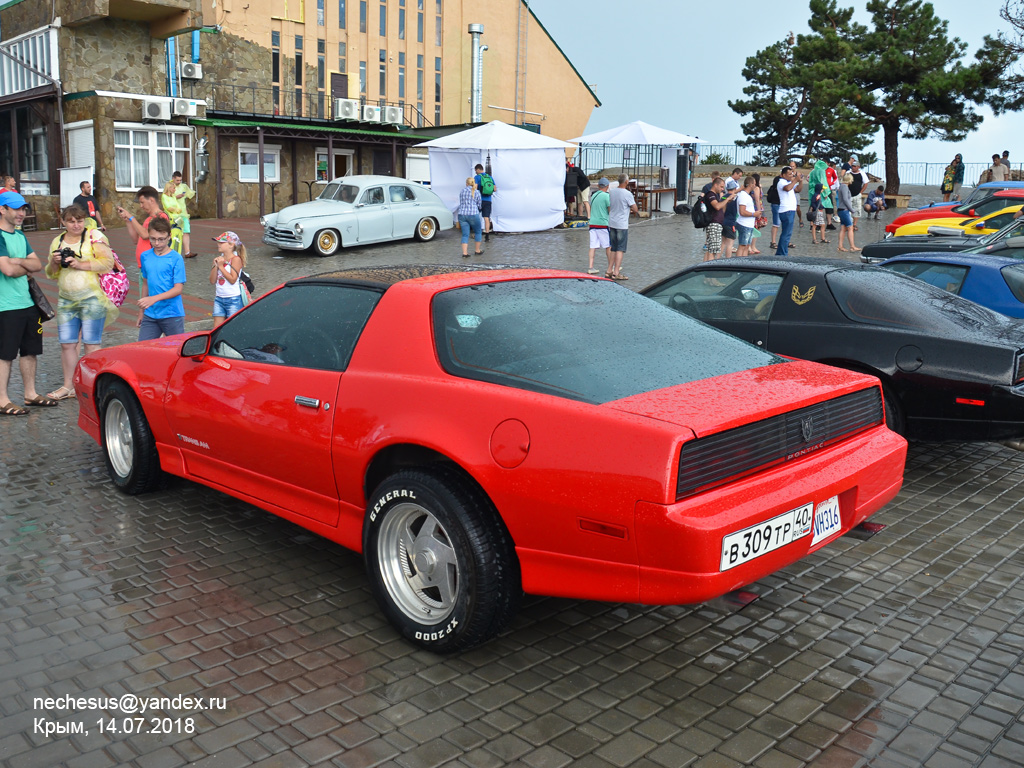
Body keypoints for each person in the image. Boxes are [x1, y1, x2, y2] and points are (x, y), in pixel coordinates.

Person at [43, 205, 118, 401]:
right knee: (67, 344)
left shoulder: (94, 236)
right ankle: (68, 385)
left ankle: (93, 385)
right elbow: (51, 274)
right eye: (71, 221)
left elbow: (107, 263)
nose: (76, 225)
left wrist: (80, 264)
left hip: (92, 299)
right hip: (67, 300)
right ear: (64, 223)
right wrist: (54, 262)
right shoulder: (57, 241)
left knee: (91, 344)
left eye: (79, 220)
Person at [0, 190, 49, 414]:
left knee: (30, 351)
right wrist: (23, 265)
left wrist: (17, 260)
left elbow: (37, 265)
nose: (22, 213)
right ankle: (2, 400)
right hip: (5, 306)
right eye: (16, 209)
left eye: (23, 209)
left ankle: (30, 394)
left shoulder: (20, 236)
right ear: (2, 210)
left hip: (27, 303)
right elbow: (7, 270)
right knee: (5, 354)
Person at [137, 217, 186, 340]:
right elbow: (145, 284)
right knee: (143, 349)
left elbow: (178, 289)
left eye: (161, 239)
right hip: (150, 314)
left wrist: (153, 299)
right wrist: (141, 312)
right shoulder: (145, 256)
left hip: (172, 314)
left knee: (175, 351)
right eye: (153, 239)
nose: (157, 243)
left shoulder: (176, 258)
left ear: (169, 236)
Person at [117, 186, 169, 267]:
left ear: (151, 200)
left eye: (142, 202)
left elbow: (145, 235)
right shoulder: (148, 219)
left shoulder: (161, 217)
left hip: (153, 265)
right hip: (144, 266)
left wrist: (131, 217)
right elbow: (136, 240)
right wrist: (128, 221)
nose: (141, 206)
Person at [209, 231, 248, 327]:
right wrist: (215, 266)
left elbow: (232, 279)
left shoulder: (236, 259)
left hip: (233, 299)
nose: (218, 244)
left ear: (231, 245)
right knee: (217, 328)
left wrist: (221, 267)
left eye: (222, 242)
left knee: (232, 327)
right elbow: (212, 281)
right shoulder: (219, 259)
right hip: (219, 298)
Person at [607, 174, 637, 280]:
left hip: (612, 222)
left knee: (613, 248)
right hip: (621, 224)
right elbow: (635, 208)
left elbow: (610, 205)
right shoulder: (627, 194)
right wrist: (631, 209)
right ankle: (616, 272)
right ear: (626, 182)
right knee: (620, 249)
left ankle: (609, 270)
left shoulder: (612, 191)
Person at [703, 176, 736, 261]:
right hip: (714, 224)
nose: (722, 189)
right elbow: (717, 206)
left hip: (717, 224)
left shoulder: (715, 195)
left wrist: (726, 201)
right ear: (716, 185)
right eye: (721, 187)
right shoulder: (710, 194)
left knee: (711, 249)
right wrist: (727, 199)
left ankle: (705, 267)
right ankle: (710, 268)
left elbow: (721, 209)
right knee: (713, 251)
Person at [775, 166, 802, 256]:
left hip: (790, 210)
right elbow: (787, 188)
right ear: (783, 175)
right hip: (786, 210)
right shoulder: (781, 182)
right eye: (789, 174)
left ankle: (781, 252)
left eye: (792, 173)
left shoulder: (789, 182)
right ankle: (782, 254)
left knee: (787, 233)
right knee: (786, 234)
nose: (791, 175)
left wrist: (800, 181)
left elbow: (797, 189)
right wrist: (795, 180)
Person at [587, 177, 611, 275]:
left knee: (592, 246)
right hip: (602, 224)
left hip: (592, 223)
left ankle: (590, 267)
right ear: (608, 186)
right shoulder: (606, 196)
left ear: (598, 186)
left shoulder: (593, 196)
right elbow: (610, 210)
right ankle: (611, 266)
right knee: (608, 246)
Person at [735, 176, 762, 258]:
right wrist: (754, 214)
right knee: (742, 245)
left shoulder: (747, 196)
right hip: (744, 224)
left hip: (749, 224)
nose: (755, 185)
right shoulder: (743, 196)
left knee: (746, 246)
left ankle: (743, 263)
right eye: (754, 183)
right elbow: (742, 211)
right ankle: (738, 263)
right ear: (750, 184)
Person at [456, 177, 483, 257]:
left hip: (462, 214)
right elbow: (479, 204)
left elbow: (461, 202)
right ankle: (477, 250)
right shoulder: (476, 192)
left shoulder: (462, 191)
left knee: (465, 234)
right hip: (473, 214)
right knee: (478, 232)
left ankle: (465, 253)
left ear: (466, 183)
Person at [808, 160, 831, 244]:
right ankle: (815, 239)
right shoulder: (817, 195)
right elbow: (814, 203)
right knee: (815, 225)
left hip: (819, 211)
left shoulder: (813, 172)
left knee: (821, 225)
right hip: (818, 212)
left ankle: (822, 238)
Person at [835, 173, 859, 253]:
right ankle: (852, 246)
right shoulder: (845, 187)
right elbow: (845, 199)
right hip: (845, 210)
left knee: (843, 228)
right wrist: (851, 209)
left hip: (841, 209)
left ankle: (840, 246)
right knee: (850, 228)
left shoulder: (841, 186)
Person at [473, 164, 496, 240]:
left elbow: (475, 188)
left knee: (476, 216)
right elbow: (495, 189)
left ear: (478, 169)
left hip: (479, 200)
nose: (475, 172)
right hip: (488, 200)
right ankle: (487, 235)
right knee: (486, 218)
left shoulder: (477, 177)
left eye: (475, 170)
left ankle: (477, 233)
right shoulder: (490, 177)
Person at [848, 159, 868, 229]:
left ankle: (854, 224)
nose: (853, 167)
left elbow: (866, 183)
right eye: (852, 166)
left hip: (857, 194)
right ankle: (849, 224)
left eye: (854, 166)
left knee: (857, 210)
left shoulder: (862, 173)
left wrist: (860, 192)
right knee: (848, 210)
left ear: (858, 167)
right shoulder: (848, 173)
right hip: (849, 195)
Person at [749, 173, 765, 254]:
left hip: (752, 208)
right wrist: (759, 211)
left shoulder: (751, 189)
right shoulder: (756, 188)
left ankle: (750, 246)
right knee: (756, 227)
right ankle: (752, 246)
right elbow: (758, 200)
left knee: (752, 227)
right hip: (757, 208)